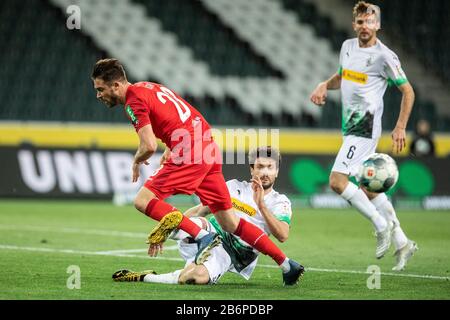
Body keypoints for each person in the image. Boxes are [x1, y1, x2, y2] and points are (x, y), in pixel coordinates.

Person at [91, 60, 304, 284]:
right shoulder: (148, 86)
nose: (98, 95)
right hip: (206, 144)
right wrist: (173, 146)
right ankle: (287, 264)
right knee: (230, 222)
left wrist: (137, 161)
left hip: (190, 150)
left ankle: (203, 236)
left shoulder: (133, 101)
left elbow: (148, 146)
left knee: (143, 201)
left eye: (100, 89)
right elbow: (181, 116)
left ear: (115, 85)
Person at [310, 1, 417, 270]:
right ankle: (403, 242)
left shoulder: (385, 56)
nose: (364, 26)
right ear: (354, 24)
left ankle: (382, 226)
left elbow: (408, 91)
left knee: (337, 181)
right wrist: (324, 85)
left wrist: (401, 126)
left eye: (370, 21)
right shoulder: (347, 47)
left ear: (378, 25)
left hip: (365, 126)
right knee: (368, 187)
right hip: (350, 126)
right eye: (360, 21)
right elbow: (342, 77)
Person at [112, 147, 301, 285]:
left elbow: (283, 235)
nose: (264, 172)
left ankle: (145, 277)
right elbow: (200, 211)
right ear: (252, 169)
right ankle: (192, 234)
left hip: (234, 252)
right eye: (260, 166)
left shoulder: (280, 202)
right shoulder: (233, 187)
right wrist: (171, 228)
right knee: (195, 223)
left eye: (270, 167)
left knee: (193, 278)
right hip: (212, 231)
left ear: (277, 172)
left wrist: (261, 205)